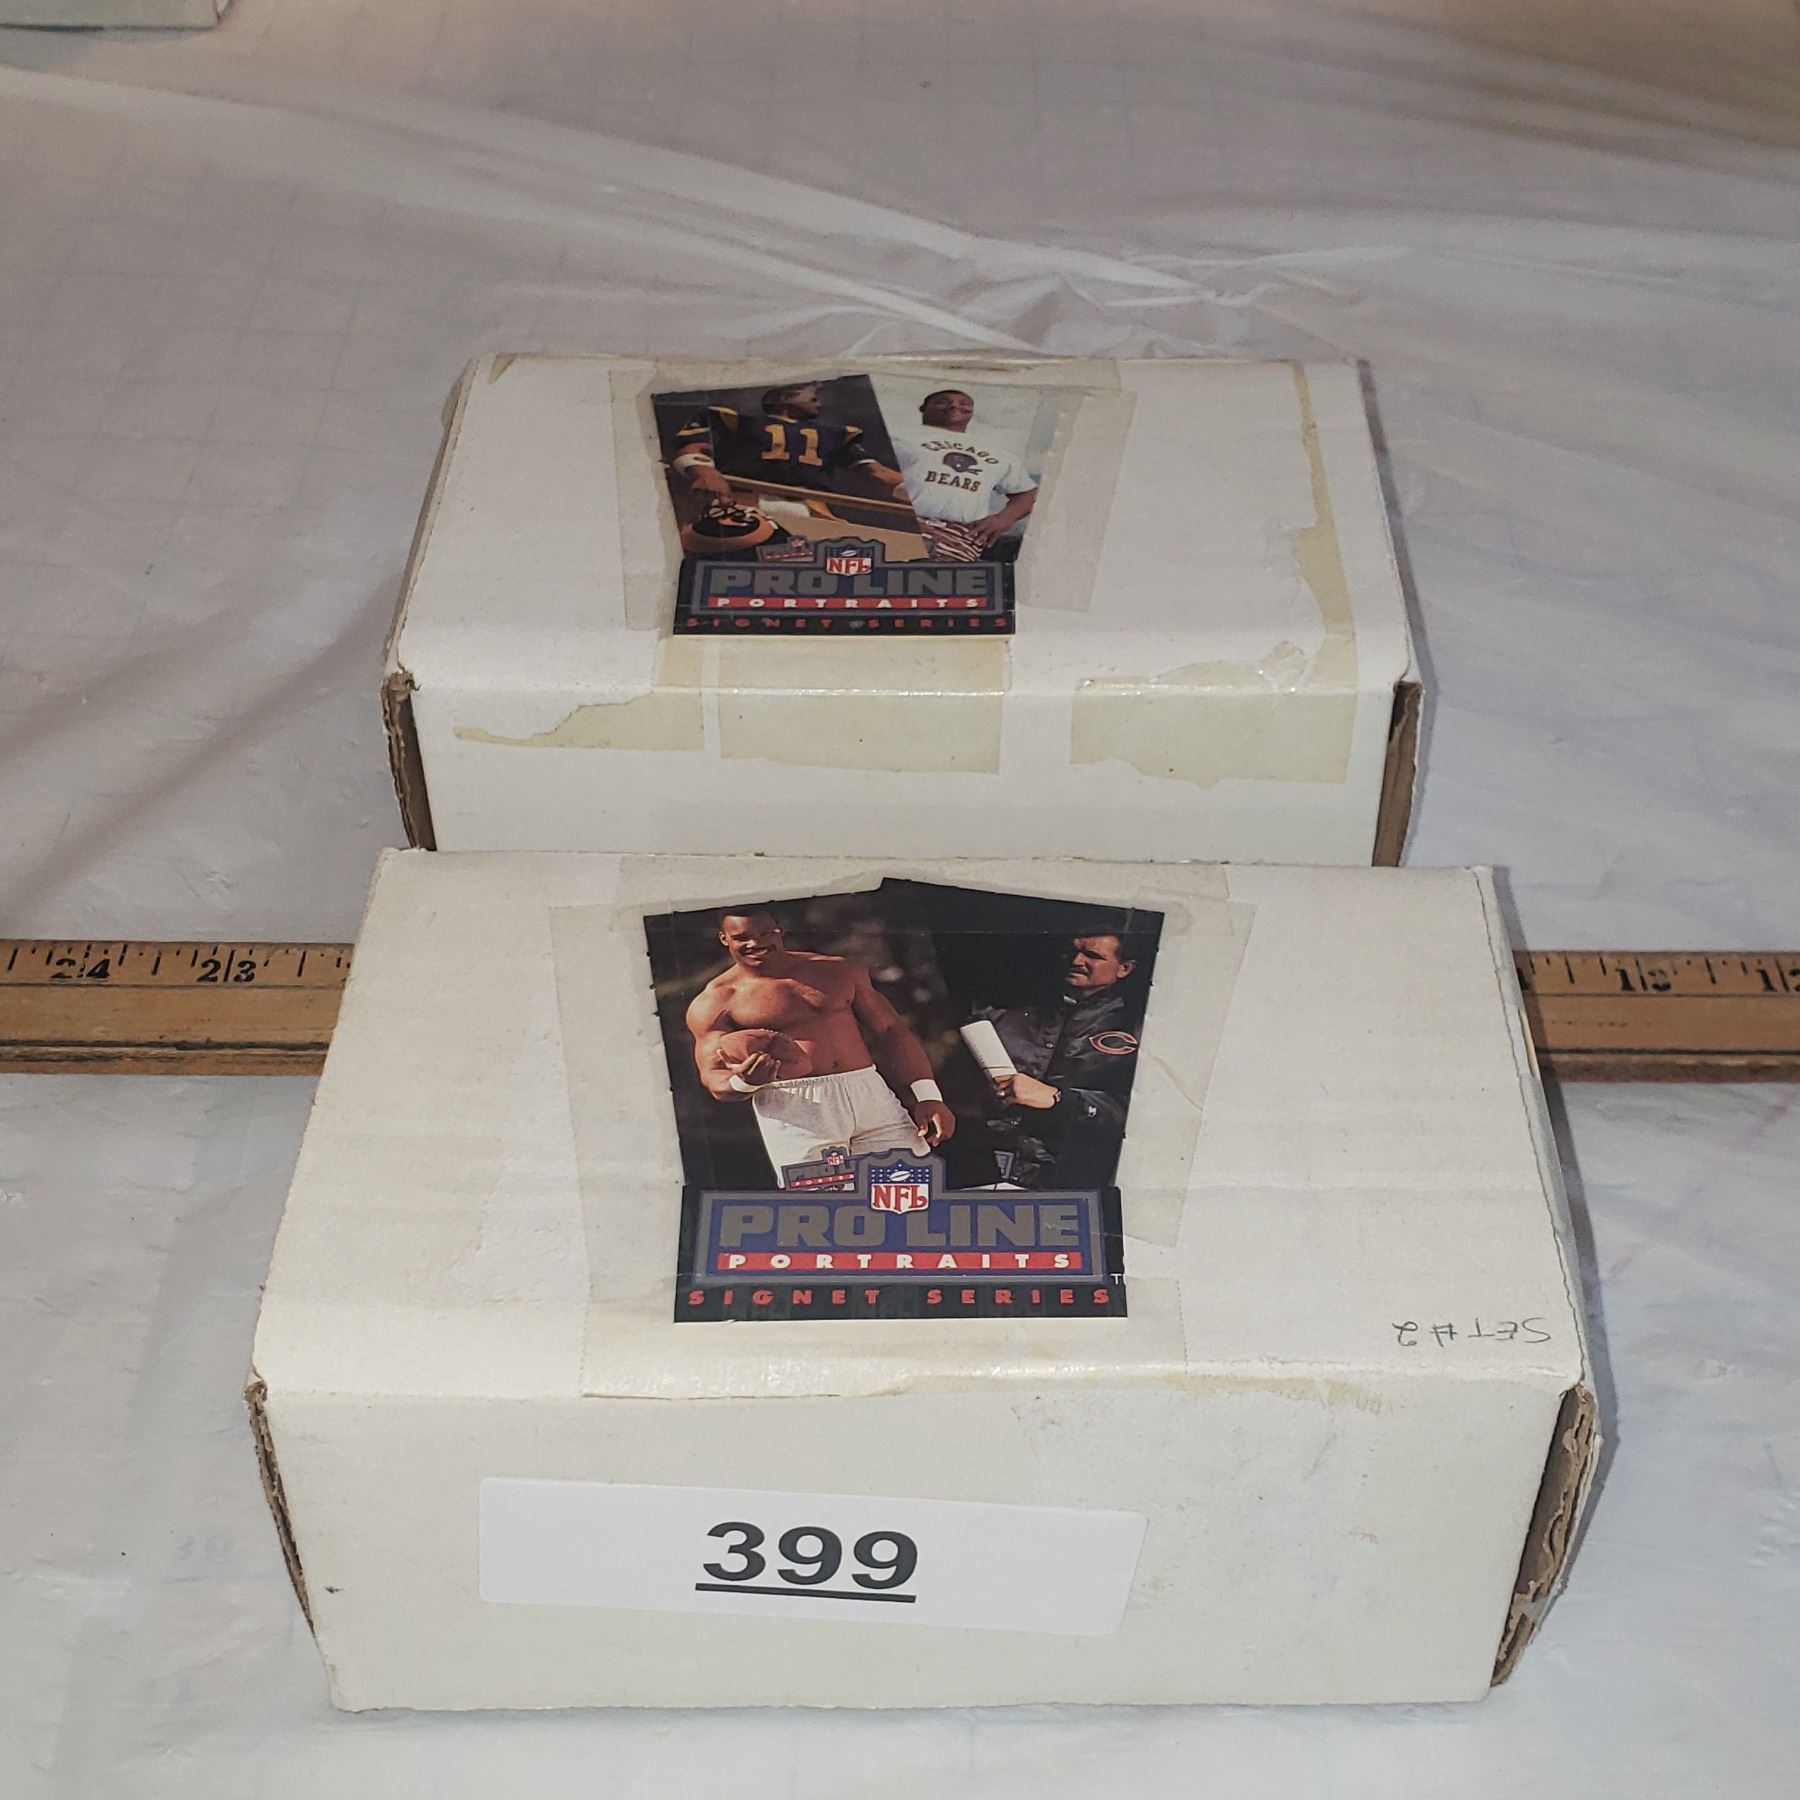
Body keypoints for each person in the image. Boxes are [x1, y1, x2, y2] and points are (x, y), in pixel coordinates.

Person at [686, 908, 955, 1188]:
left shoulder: (837, 970)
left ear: (780, 931)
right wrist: (744, 1081)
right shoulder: (715, 1002)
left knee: (910, 1195)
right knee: (828, 1208)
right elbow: (714, 1077)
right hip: (796, 1109)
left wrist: (928, 1096)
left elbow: (890, 1030)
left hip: (868, 1093)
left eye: (765, 933)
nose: (755, 943)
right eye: (742, 937)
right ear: (724, 938)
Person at [962, 932, 1145, 1190]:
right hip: (982, 1168)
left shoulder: (1141, 1027)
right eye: (1072, 951)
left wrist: (1058, 1098)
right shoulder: (1000, 1013)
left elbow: (1140, 1116)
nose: (1076, 960)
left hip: (1068, 1180)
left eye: (1092, 955)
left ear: (1124, 968)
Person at [671, 381, 903, 501]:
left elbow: (879, 473)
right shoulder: (737, 421)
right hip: (745, 499)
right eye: (813, 398)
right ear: (785, 397)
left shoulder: (835, 435)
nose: (819, 404)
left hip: (812, 506)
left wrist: (919, 492)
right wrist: (706, 474)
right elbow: (693, 449)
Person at [889, 388, 1038, 560]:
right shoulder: (900, 438)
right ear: (923, 408)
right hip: (903, 526)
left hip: (961, 539)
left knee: (943, 578)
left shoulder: (998, 453)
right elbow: (872, 473)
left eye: (964, 404)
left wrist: (1004, 519)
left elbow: (1027, 493)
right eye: (942, 402)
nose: (954, 406)